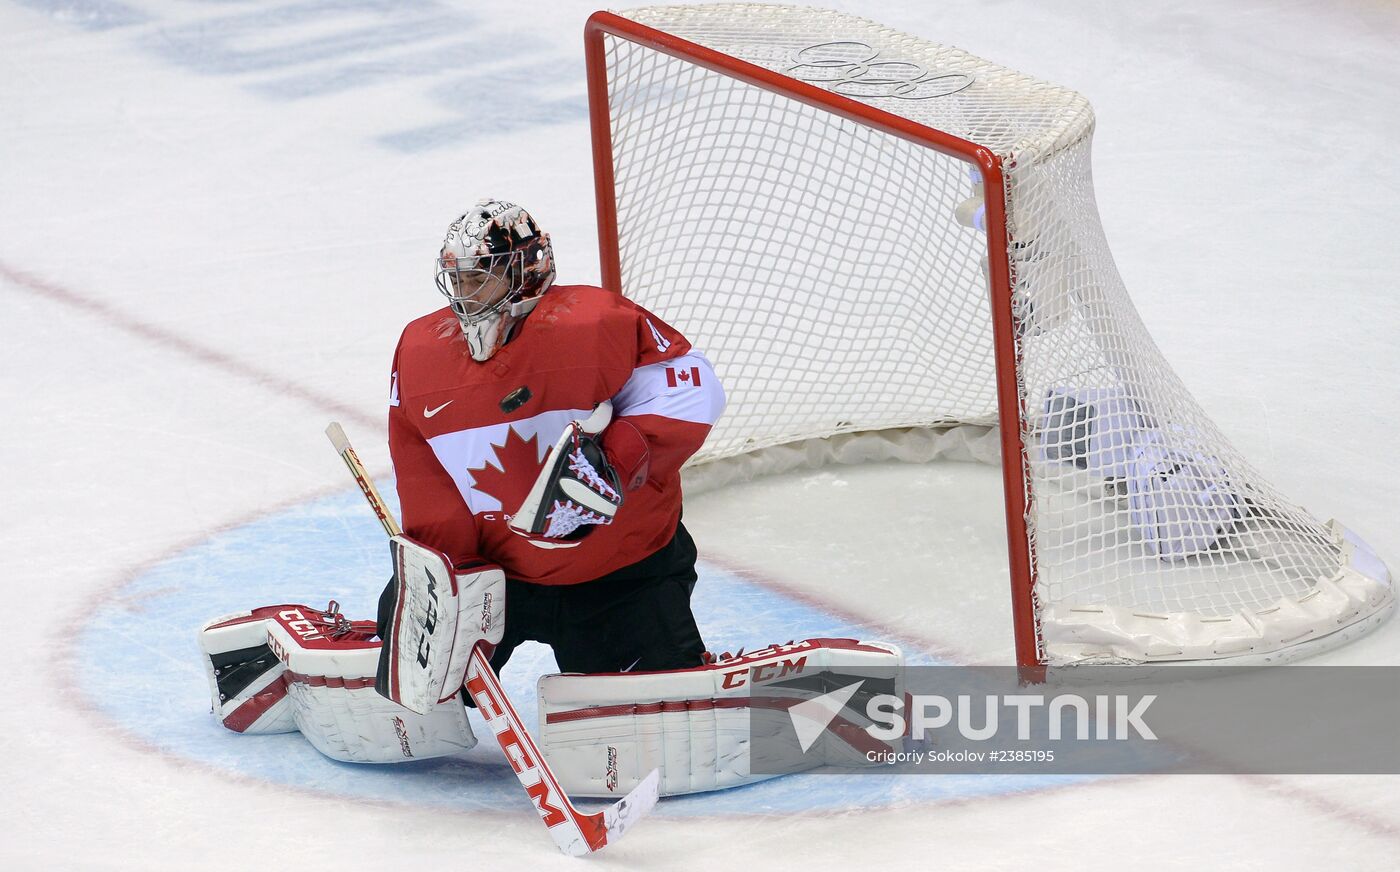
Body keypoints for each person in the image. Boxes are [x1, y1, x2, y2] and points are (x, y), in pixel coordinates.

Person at [379, 198, 725, 678]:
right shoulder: (420, 349)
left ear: (527, 270)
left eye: (480, 278)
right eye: (457, 279)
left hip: (619, 573)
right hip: (495, 580)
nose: (464, 294)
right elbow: (420, 464)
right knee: (422, 685)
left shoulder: (597, 322)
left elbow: (690, 389)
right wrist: (449, 570)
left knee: (644, 705)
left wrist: (614, 465)